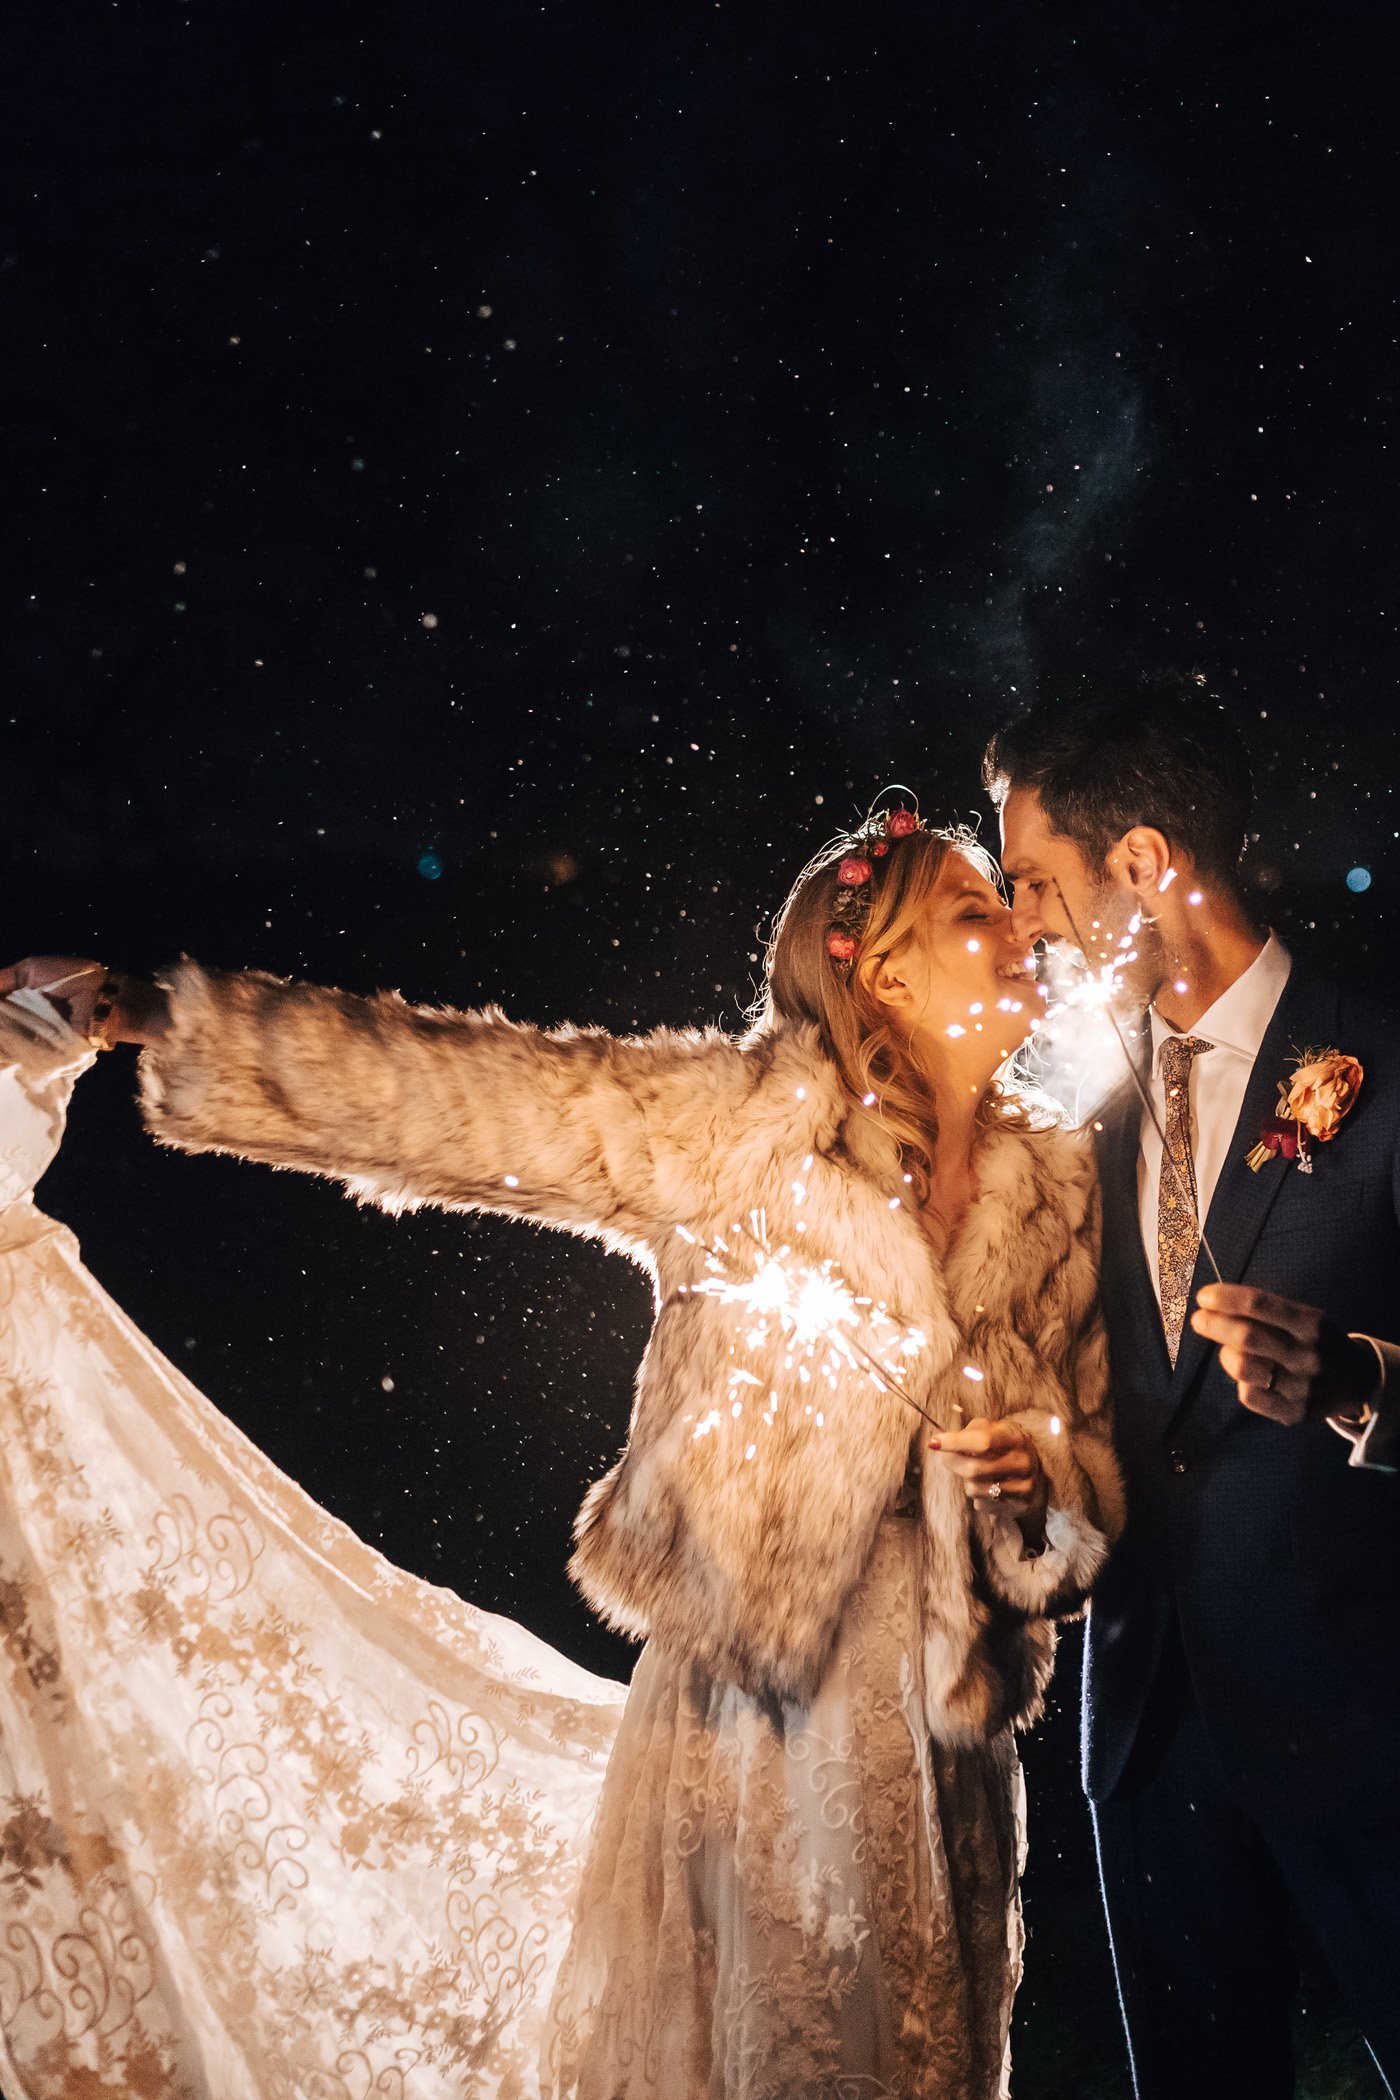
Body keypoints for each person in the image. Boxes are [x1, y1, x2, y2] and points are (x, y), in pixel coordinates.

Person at [2, 808, 1121, 2100]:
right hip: (752, 1733)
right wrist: (168, 1015)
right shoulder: (747, 1130)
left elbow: (1079, 1473)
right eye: (979, 913)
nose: (1022, 934)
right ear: (882, 968)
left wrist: (1039, 1495)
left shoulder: (1058, 1188)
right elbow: (479, 1096)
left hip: (942, 1751)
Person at [985, 686, 1400, 2100]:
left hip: (1368, 1711)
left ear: (1147, 862)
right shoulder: (1063, 1090)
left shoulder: (1384, 1063)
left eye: (1037, 881)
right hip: (1149, 1726)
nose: (1022, 922)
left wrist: (1353, 1378)